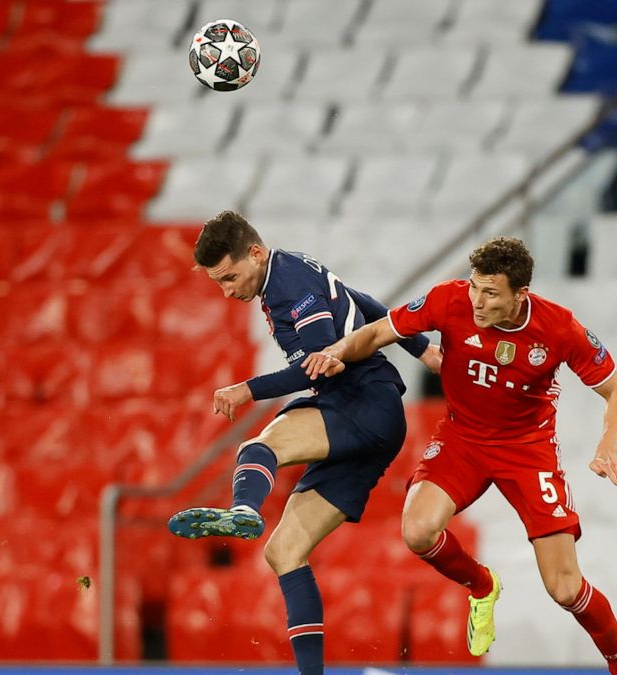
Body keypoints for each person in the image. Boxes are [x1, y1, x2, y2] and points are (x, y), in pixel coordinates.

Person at [302, 236, 617, 674]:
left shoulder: (559, 327)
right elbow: (378, 332)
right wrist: (336, 351)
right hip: (462, 438)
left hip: (527, 449)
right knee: (418, 530)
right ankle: (482, 585)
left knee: (564, 588)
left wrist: (606, 447)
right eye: (475, 286)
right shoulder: (450, 299)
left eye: (491, 292)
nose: (477, 301)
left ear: (520, 295)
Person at [167, 211, 440, 675]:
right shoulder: (290, 270)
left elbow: (315, 365)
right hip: (371, 417)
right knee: (284, 552)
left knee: (258, 448)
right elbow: (368, 304)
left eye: (230, 277)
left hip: (363, 401)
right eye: (218, 283)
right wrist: (424, 349)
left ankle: (245, 511)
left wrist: (245, 389)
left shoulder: (290, 285)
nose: (228, 291)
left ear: (255, 252)